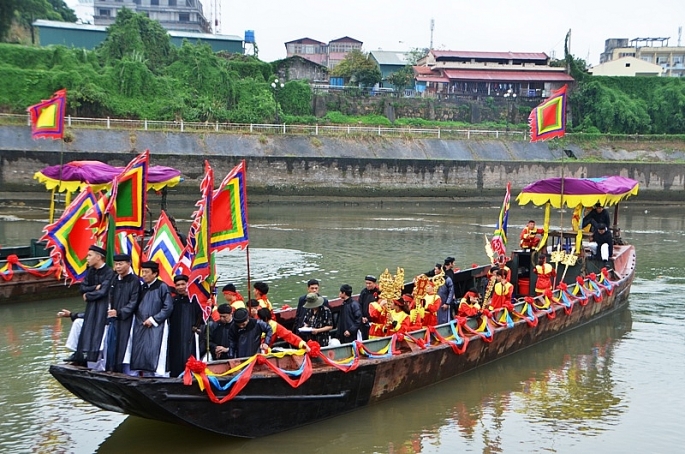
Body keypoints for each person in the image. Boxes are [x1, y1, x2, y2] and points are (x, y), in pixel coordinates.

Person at [129, 261, 174, 377]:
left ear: (155, 274)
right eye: (143, 272)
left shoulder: (162, 287)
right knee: (142, 351)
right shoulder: (142, 287)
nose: (144, 275)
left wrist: (154, 319)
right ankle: (145, 375)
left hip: (157, 325)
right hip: (141, 324)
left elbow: (168, 308)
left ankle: (160, 376)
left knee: (156, 351)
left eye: (147, 272)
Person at [74, 245, 115, 368]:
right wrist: (94, 288)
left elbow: (103, 292)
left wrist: (88, 295)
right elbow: (82, 288)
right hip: (92, 307)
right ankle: (82, 355)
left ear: (98, 257)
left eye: (89, 256)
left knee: (99, 334)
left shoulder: (109, 272)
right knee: (86, 327)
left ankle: (100, 362)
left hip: (103, 308)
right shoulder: (91, 271)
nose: (87, 258)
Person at [105, 253, 140, 374]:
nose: (118, 267)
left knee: (126, 346)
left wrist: (120, 312)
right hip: (114, 318)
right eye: (116, 264)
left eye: (120, 264)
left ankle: (128, 372)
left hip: (128, 319)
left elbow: (134, 302)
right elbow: (110, 297)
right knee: (112, 343)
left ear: (129, 264)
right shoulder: (115, 279)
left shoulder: (135, 281)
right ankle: (112, 368)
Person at [167, 274, 204, 377]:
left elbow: (201, 315)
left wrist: (196, 326)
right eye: (178, 285)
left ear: (188, 285)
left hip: (190, 333)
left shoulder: (194, 300)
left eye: (183, 284)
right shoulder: (173, 301)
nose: (180, 287)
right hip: (176, 334)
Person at [357, 275, 380, 340]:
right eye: (366, 283)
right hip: (363, 320)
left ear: (375, 283)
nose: (367, 285)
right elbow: (360, 305)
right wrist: (362, 317)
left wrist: (368, 318)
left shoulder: (378, 293)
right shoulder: (363, 292)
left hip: (374, 321)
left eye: (369, 283)